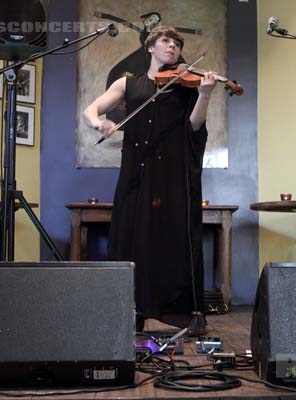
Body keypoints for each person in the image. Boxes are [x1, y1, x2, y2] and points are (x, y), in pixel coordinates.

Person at [82, 26, 218, 334]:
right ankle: (129, 310)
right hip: (136, 171)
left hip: (171, 173)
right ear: (150, 47)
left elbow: (194, 125)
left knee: (172, 238)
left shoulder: (185, 86)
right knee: (130, 236)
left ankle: (180, 311)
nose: (172, 46)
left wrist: (206, 93)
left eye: (177, 43)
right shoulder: (128, 83)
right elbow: (91, 110)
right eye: (166, 41)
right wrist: (98, 123)